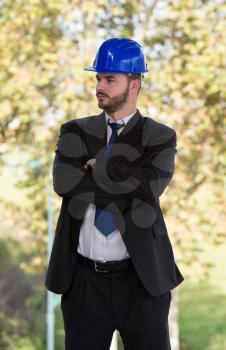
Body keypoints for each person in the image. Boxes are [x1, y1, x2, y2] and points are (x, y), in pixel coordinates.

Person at [45, 38, 184, 350]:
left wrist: (96, 167)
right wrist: (125, 175)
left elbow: (150, 188)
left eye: (110, 79)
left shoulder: (159, 136)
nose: (99, 86)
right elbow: (64, 183)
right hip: (83, 283)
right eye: (98, 78)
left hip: (140, 281)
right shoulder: (74, 132)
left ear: (134, 85)